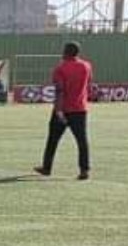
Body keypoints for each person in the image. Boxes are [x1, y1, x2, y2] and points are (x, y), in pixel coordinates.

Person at [35, 43, 92, 179]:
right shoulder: (86, 66)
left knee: (53, 139)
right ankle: (84, 170)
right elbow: (88, 83)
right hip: (80, 108)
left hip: (64, 108)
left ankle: (47, 167)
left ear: (65, 52)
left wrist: (59, 110)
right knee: (82, 140)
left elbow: (60, 90)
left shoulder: (60, 68)